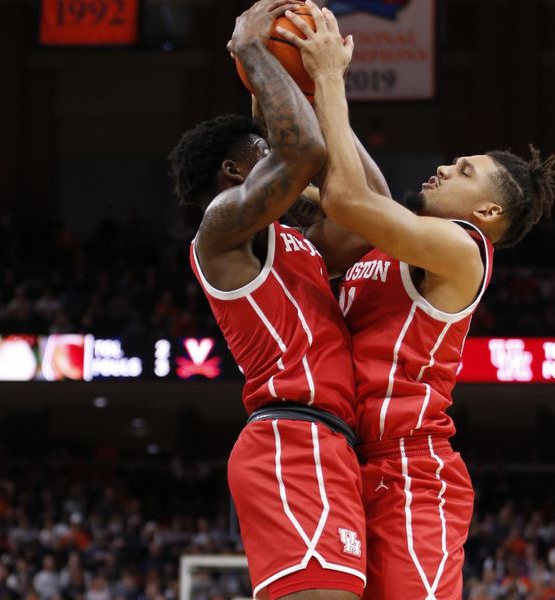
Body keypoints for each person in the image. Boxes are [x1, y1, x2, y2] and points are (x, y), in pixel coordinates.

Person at [277, 3, 555, 598]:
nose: (444, 166)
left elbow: (352, 200)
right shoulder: (389, 243)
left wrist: (332, 77)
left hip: (411, 471)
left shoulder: (466, 249)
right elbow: (354, 187)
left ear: (486, 212)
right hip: (343, 455)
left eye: (464, 171)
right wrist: (299, 86)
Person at [167, 1, 380, 598]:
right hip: (291, 441)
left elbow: (369, 214)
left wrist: (320, 89)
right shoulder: (220, 230)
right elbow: (302, 152)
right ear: (237, 172)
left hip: (329, 443)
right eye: (264, 154)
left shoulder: (294, 243)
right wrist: (253, 52)